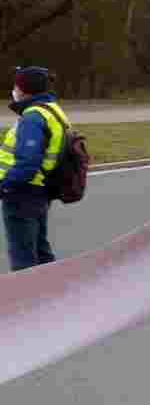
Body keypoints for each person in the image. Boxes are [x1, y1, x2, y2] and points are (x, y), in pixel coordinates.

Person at [0, 66, 69, 271]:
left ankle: (26, 301)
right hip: (40, 190)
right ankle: (56, 295)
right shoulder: (51, 110)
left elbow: (27, 164)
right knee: (40, 252)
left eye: (16, 85)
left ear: (24, 89)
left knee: (24, 259)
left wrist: (3, 186)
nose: (14, 89)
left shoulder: (32, 117)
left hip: (22, 193)